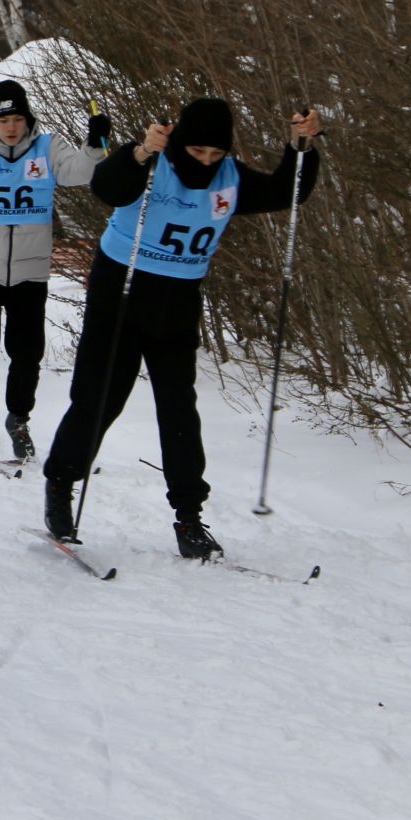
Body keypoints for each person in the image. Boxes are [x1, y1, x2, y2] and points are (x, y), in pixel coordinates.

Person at [42, 101, 322, 559]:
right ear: (178, 142)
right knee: (99, 397)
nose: (205, 162)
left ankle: (189, 518)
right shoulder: (153, 163)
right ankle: (61, 482)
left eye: (215, 154)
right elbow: (105, 187)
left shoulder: (231, 178)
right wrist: (136, 153)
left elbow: (287, 192)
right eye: (196, 150)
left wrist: (301, 148)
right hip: (122, 291)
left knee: (178, 408)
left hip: (178, 301)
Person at [0, 79, 107, 466]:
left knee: (27, 354)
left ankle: (18, 419)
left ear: (28, 119)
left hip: (30, 270)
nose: (11, 126)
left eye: (18, 118)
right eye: (3, 119)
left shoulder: (47, 148)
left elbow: (79, 172)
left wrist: (94, 145)